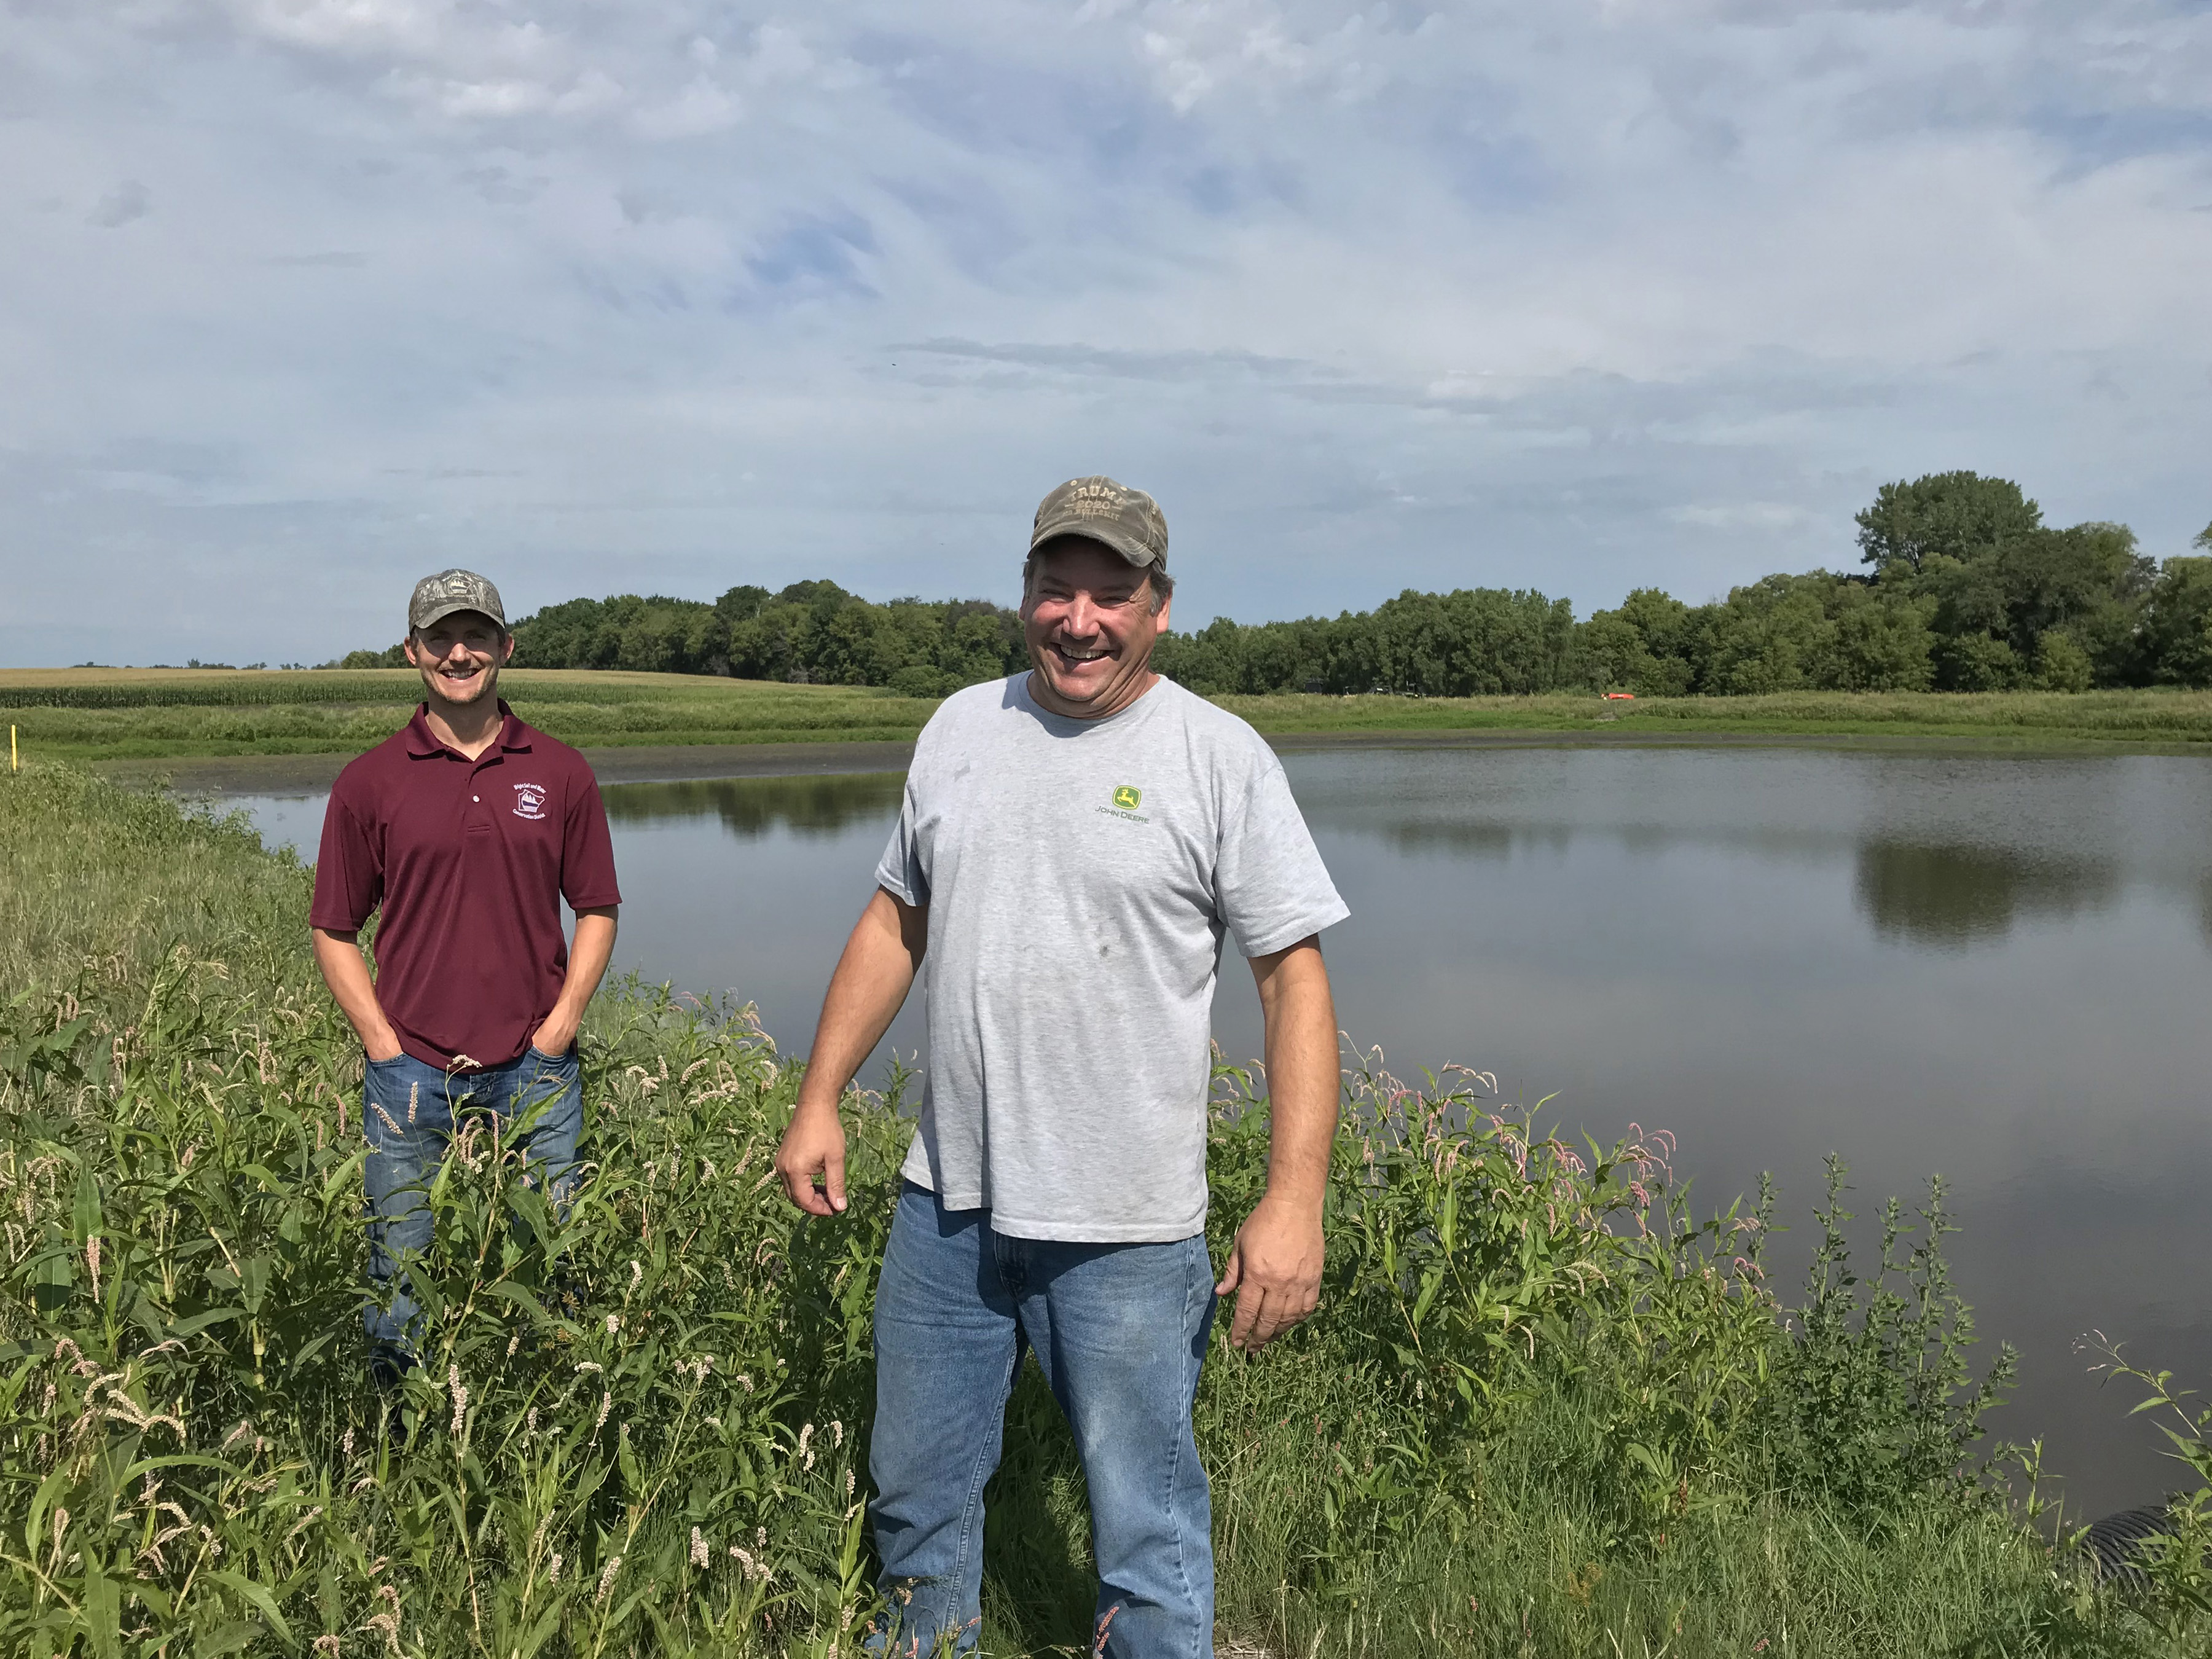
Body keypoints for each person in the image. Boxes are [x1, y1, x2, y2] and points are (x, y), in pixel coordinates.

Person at [774, 478, 1349, 1658]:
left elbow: (1294, 981)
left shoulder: (1218, 758)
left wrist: (1295, 1200)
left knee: (1146, 1528)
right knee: (915, 1500)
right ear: (1025, 593)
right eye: (1057, 589)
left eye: (1112, 595)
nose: (1079, 620)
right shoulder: (957, 729)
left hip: (1129, 1231)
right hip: (947, 1208)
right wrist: (820, 1096)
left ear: (1162, 609)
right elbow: (896, 923)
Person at [309, 569, 621, 1381]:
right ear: (413, 652)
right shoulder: (370, 782)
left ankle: (551, 1420)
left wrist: (561, 1028)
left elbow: (596, 908)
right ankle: (399, 1440)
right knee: (399, 1272)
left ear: (505, 647)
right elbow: (333, 928)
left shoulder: (559, 772)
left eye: (476, 636)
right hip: (409, 1071)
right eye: (441, 638)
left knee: (552, 1266)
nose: (460, 653)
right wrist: (380, 1042)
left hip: (536, 1071)